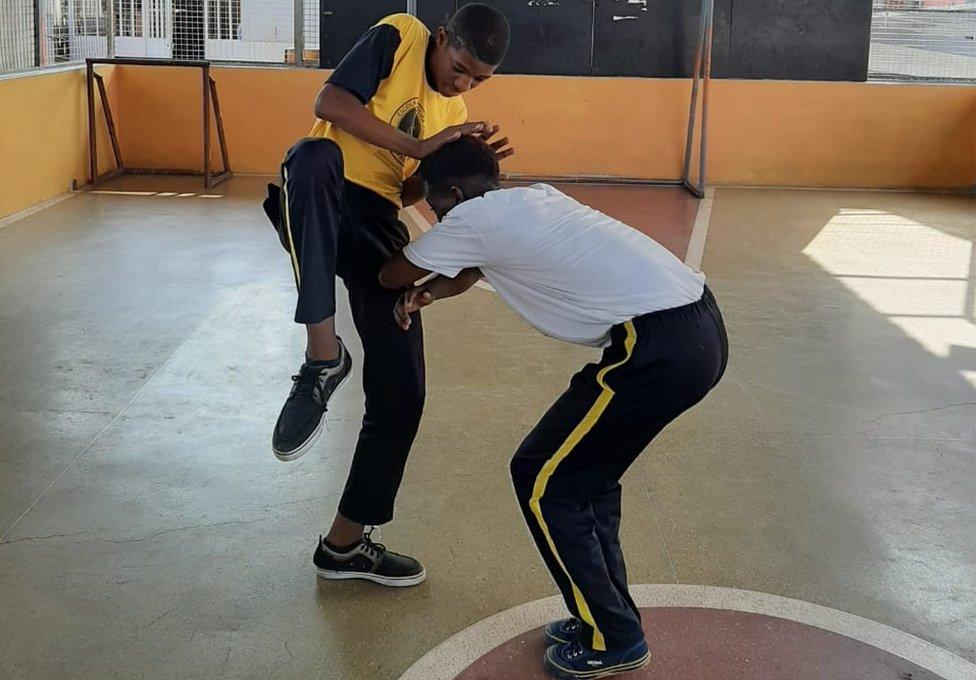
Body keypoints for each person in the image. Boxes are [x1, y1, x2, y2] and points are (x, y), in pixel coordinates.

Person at [378, 136, 729, 678]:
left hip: (655, 347)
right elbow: (473, 267)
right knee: (586, 481)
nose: (437, 217)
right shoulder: (530, 198)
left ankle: (615, 636)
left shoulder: (470, 220)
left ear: (452, 192)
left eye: (435, 206)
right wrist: (435, 293)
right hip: (695, 329)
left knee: (545, 477)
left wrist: (406, 270)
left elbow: (390, 274)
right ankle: (603, 618)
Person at [262, 5, 512, 587]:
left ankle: (346, 545)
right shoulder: (402, 35)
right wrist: (424, 146)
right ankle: (323, 358)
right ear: (443, 38)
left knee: (404, 387)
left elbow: (404, 190)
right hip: (318, 196)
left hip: (376, 221)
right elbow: (329, 104)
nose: (463, 84)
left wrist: (464, 166)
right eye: (459, 68)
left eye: (478, 80)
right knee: (312, 154)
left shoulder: (455, 111)